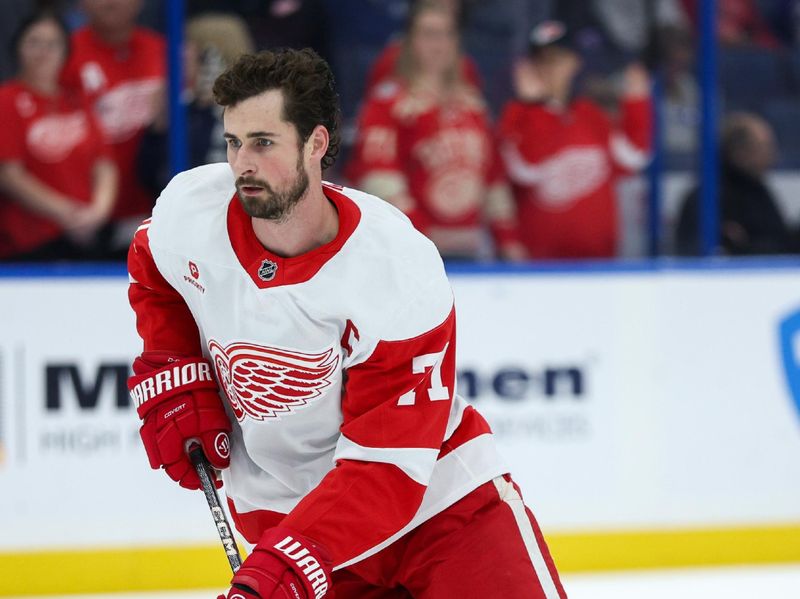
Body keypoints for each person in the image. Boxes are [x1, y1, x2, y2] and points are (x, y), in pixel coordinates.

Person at [126, 48, 567, 598]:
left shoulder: (393, 268)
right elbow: (153, 272)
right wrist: (172, 361)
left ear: (316, 143)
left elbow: (388, 468)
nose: (242, 164)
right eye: (234, 142)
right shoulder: (191, 214)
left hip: (438, 509)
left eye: (263, 143)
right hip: (286, 518)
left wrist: (290, 562)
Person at [346, 1, 524, 261]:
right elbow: (379, 180)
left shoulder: (472, 104)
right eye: (429, 34)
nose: (438, 44)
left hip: (470, 248)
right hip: (411, 251)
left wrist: (508, 241)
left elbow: (492, 175)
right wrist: (423, 238)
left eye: (447, 34)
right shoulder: (387, 104)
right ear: (410, 41)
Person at [496, 20, 652, 259]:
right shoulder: (517, 114)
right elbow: (528, 171)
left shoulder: (589, 113)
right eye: (542, 61)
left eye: (557, 60)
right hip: (538, 269)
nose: (548, 70)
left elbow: (632, 159)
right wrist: (538, 108)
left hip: (599, 263)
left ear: (574, 63)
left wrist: (636, 101)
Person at [0, 10, 117, 261]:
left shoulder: (75, 99)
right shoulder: (6, 100)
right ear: (17, 48)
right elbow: (10, 174)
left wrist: (97, 212)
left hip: (86, 235)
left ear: (65, 51)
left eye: (52, 44)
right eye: (34, 42)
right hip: (31, 241)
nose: (43, 52)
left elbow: (104, 163)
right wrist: (68, 214)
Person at [60, 0, 166, 258]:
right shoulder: (63, 53)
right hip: (80, 217)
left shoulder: (164, 51)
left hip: (152, 209)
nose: (110, 2)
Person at [137, 12, 255, 195]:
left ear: (211, 55)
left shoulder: (242, 116)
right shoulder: (185, 109)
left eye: (188, 48)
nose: (180, 55)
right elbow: (149, 176)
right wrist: (157, 127)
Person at [675, 111, 798, 255]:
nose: (772, 153)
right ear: (739, 152)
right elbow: (696, 251)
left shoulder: (758, 190)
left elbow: (780, 241)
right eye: (764, 146)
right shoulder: (707, 198)